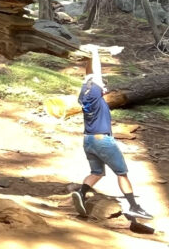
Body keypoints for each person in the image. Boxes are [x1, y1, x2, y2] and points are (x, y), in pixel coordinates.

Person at [70, 47, 152, 220]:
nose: (105, 88)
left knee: (97, 173)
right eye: (103, 85)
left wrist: (88, 60)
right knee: (122, 174)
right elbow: (95, 74)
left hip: (88, 141)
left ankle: (81, 193)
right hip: (102, 140)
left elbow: (89, 75)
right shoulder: (94, 94)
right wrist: (95, 52)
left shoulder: (84, 95)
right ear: (98, 88)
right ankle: (134, 206)